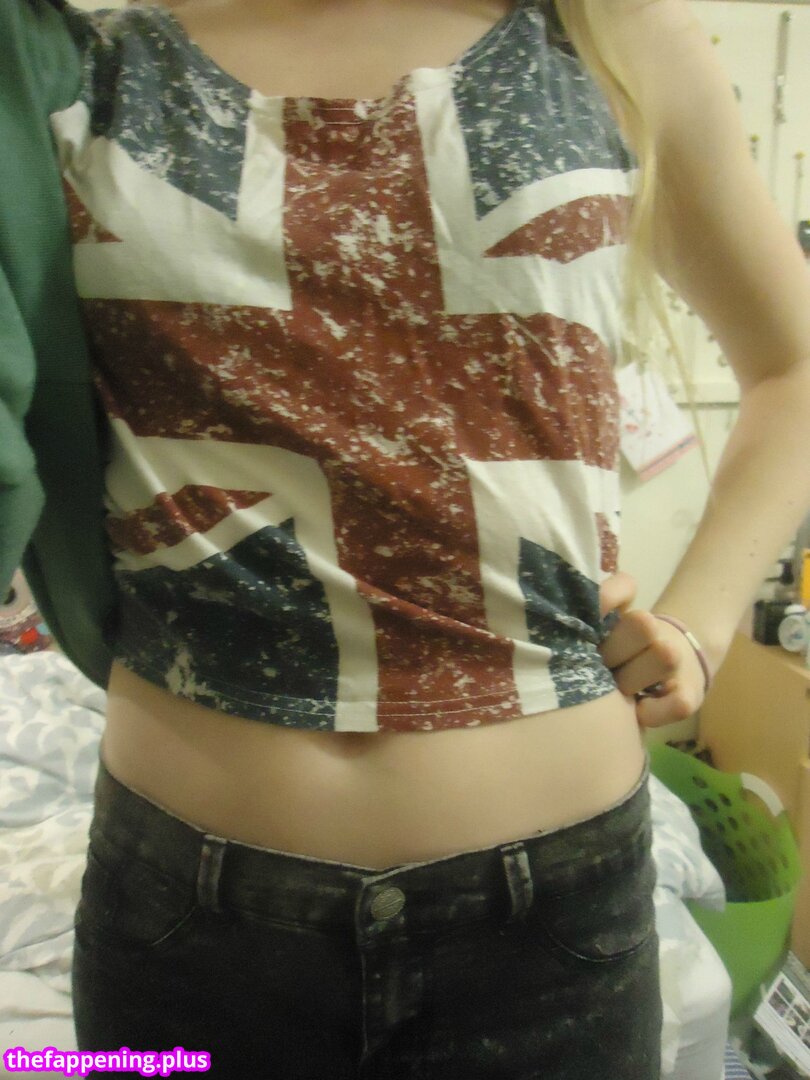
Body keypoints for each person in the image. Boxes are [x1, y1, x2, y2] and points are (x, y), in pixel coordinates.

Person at [1, 0, 809, 1075]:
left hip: (552, 917)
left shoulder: (614, 39)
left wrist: (701, 625)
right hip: (183, 908)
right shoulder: (70, 62)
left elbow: (794, 365)